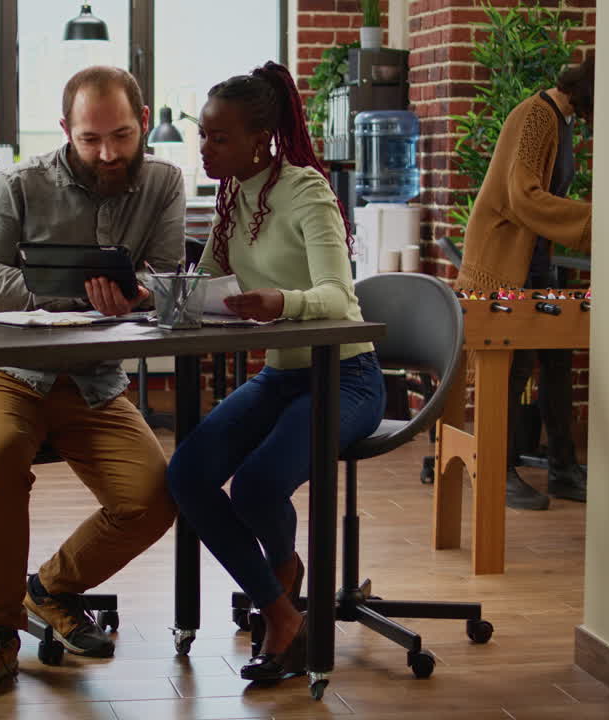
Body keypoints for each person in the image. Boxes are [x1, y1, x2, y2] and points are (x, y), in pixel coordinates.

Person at [0, 66, 186, 699]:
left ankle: (51, 588)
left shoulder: (162, 182)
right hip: (2, 374)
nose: (109, 153)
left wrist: (138, 293)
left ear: (142, 120)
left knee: (155, 498)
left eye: (123, 136)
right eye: (91, 140)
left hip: (91, 383)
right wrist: (74, 291)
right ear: (65, 131)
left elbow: (163, 278)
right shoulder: (18, 184)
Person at [165, 61, 386, 683]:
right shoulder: (232, 195)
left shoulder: (308, 190)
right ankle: (281, 596)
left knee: (257, 487)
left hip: (346, 376)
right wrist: (151, 293)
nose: (205, 148)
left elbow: (339, 297)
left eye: (218, 137)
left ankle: (280, 602)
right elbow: (204, 279)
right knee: (187, 474)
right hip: (284, 374)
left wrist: (279, 303)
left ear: (259, 137)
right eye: (202, 136)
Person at [456, 56, 595, 511]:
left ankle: (563, 470)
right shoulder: (538, 115)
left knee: (556, 361)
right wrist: (595, 220)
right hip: (503, 260)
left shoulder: (564, 119)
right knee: (509, 370)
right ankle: (497, 469)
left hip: (536, 262)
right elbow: (523, 195)